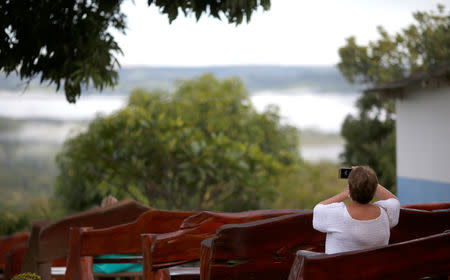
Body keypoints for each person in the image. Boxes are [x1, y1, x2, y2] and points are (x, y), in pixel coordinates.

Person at [313, 166, 400, 254]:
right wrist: (369, 179)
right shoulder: (386, 213)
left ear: (350, 189)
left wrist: (344, 194)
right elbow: (394, 201)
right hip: (375, 267)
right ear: (374, 190)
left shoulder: (337, 215)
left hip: (340, 267)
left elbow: (318, 208)